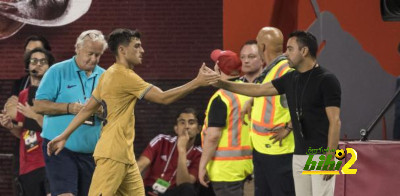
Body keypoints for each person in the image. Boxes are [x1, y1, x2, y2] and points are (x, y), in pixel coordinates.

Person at [46, 28, 219, 196]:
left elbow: (87, 108)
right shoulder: (125, 76)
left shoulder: (108, 74)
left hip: (125, 156)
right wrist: (197, 82)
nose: (142, 50)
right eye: (136, 46)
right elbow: (163, 97)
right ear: (122, 50)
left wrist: (64, 135)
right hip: (112, 154)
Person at [214, 30, 341, 196]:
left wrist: (330, 159)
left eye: (290, 49)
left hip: (320, 155)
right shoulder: (291, 78)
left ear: (304, 51)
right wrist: (222, 83)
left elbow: (335, 122)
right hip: (299, 155)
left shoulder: (327, 79)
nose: (285, 53)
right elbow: (259, 89)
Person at [33, 30, 107, 196]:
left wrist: (104, 111)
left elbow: (114, 113)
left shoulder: (105, 76)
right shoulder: (57, 71)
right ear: (78, 48)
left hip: (91, 153)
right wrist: (70, 108)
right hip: (60, 148)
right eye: (90, 54)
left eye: (98, 55)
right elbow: (38, 105)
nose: (94, 59)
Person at [242, 27, 295, 196]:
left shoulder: (286, 70)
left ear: (262, 47)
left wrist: (288, 128)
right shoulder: (270, 70)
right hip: (263, 151)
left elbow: (307, 104)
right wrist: (252, 100)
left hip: (280, 153)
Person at [199, 48, 255, 196]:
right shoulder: (250, 92)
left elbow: (213, 136)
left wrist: (202, 166)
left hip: (225, 170)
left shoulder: (221, 98)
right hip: (248, 167)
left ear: (218, 69)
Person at [1, 35, 52, 195]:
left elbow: (60, 128)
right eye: (31, 58)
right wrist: (10, 127)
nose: (36, 64)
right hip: (26, 164)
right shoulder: (23, 92)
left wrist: (33, 115)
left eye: (41, 60)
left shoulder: (57, 90)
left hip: (50, 162)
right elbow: (22, 129)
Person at [137, 107, 202, 196]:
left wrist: (182, 150)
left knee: (188, 188)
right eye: (182, 122)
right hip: (150, 189)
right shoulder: (161, 140)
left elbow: (184, 184)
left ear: (198, 129)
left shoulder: (200, 154)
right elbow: (140, 165)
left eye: (191, 123)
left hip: (173, 192)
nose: (186, 126)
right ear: (176, 128)